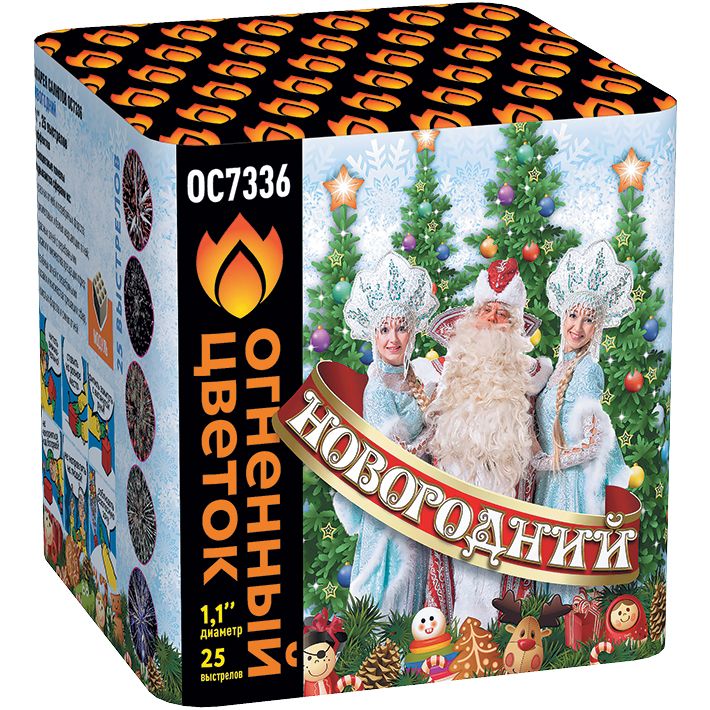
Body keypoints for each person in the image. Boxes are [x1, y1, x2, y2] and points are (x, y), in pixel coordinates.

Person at [424, 258, 550, 625]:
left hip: (503, 477)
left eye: (503, 314)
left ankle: (497, 626)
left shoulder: (533, 372)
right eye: (486, 311)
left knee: (500, 547)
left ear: (515, 325)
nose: (493, 320)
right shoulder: (444, 368)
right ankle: (450, 622)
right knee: (455, 547)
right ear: (471, 317)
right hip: (456, 473)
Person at [333, 251, 439, 614]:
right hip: (390, 500)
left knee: (416, 571)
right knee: (390, 570)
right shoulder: (377, 388)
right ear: (373, 335)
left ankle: (407, 635)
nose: (393, 338)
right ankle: (380, 634)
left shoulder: (414, 378)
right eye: (384, 330)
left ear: (412, 332)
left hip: (417, 497)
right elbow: (398, 454)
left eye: (401, 328)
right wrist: (434, 430)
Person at [533, 240, 634, 601]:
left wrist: (548, 462)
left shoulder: (588, 370)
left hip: (573, 487)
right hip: (551, 484)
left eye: (588, 320)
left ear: (597, 327)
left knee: (568, 577)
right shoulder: (557, 367)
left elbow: (594, 444)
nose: (577, 326)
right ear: (562, 315)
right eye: (573, 315)